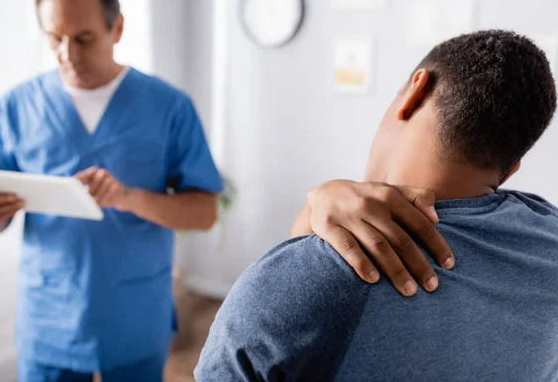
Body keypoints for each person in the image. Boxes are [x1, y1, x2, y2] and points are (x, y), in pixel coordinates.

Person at [195, 30, 558, 381]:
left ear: (415, 92)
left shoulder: (316, 277)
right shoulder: (548, 240)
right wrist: (314, 208)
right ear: (509, 171)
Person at [0, 0, 223, 380]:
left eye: (84, 39)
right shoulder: (15, 108)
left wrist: (129, 197)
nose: (68, 55)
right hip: (49, 318)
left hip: (135, 315)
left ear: (116, 28)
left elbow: (205, 213)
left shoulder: (168, 107)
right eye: (55, 38)